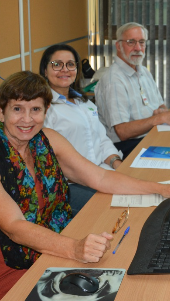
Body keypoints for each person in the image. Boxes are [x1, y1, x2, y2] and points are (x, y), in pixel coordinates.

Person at [0, 71, 170, 301]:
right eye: (18, 109)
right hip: (10, 267)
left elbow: (100, 177)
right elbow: (15, 227)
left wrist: (160, 189)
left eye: (36, 110)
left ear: (46, 111)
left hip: (54, 244)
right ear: (1, 111)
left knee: (132, 285)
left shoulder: (46, 140)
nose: (27, 119)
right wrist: (74, 248)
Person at [95, 22, 170, 158]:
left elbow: (160, 105)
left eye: (142, 42)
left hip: (152, 133)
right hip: (126, 146)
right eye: (131, 42)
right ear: (118, 46)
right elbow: (122, 131)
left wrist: (162, 111)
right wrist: (160, 118)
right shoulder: (114, 80)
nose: (138, 48)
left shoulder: (143, 71)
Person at [40, 44, 123, 215]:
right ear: (45, 70)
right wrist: (99, 178)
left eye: (71, 64)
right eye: (57, 64)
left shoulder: (84, 103)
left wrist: (117, 164)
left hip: (101, 173)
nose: (65, 70)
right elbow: (49, 160)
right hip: (71, 184)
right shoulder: (43, 108)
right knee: (116, 208)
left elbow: (103, 139)